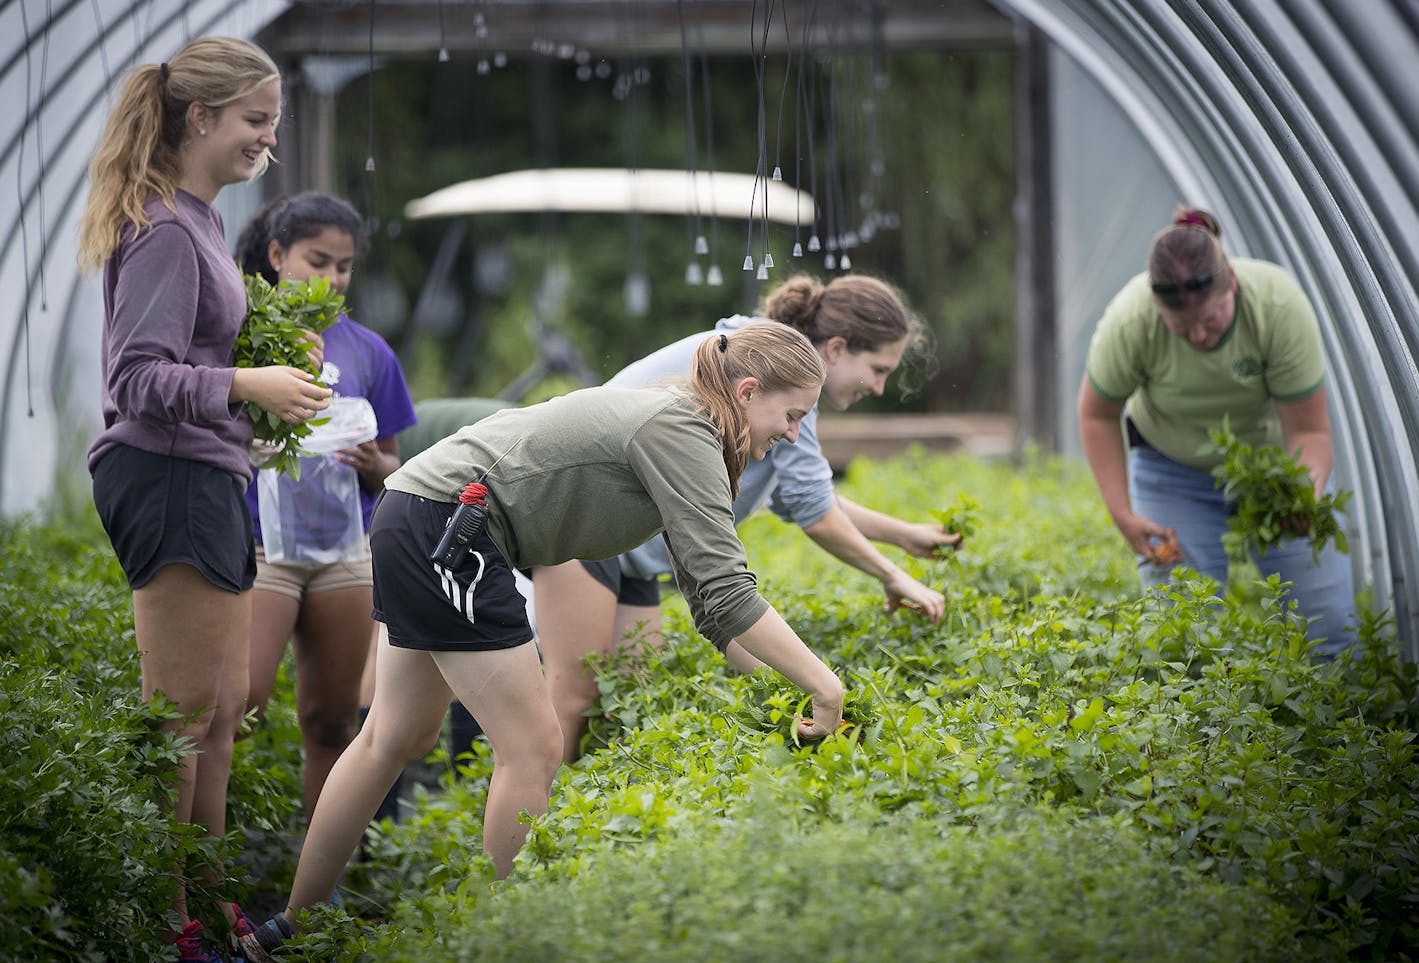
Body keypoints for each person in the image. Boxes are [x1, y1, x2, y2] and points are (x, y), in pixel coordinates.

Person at [240, 320, 846, 961]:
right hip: (451, 526)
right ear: (749, 392)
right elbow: (728, 590)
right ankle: (510, 940)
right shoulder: (682, 429)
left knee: (393, 738)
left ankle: (288, 929)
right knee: (533, 746)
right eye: (793, 415)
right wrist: (825, 686)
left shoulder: (690, 424)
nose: (793, 434)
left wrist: (778, 684)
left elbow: (709, 598)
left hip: (420, 511)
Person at [77, 37, 331, 962]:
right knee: (180, 716)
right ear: (201, 116)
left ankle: (207, 910)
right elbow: (137, 380)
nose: (267, 139)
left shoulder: (203, 222)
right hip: (170, 478)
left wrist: (258, 395)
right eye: (256, 121)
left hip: (209, 472)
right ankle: (162, 923)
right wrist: (246, 382)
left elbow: (193, 366)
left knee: (220, 710)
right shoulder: (164, 228)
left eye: (273, 122)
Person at [536, 273, 958, 760]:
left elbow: (800, 496)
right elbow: (812, 511)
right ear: (837, 348)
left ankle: (579, 813)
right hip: (587, 520)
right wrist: (891, 577)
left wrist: (902, 536)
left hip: (637, 544)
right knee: (575, 699)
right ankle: (537, 819)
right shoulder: (778, 373)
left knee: (626, 698)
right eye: (878, 369)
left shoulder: (780, 379)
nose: (881, 388)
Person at [1077, 205, 1355, 658]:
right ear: (1156, 308)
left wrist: (1301, 493)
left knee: (1327, 633)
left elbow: (1310, 431)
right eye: (1182, 328)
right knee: (1180, 638)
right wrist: (1121, 512)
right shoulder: (1131, 321)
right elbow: (1097, 413)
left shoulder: (1277, 306)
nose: (1200, 336)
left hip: (1271, 473)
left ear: (1233, 284)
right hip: (1173, 471)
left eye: (1211, 319)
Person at [234, 192, 418, 822]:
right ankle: (206, 870)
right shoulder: (242, 336)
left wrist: (374, 467)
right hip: (263, 549)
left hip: (346, 553)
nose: (333, 278)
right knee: (237, 708)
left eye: (344, 266)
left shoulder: (369, 351)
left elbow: (398, 467)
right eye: (319, 260)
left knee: (333, 722)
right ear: (278, 255)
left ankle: (316, 895)